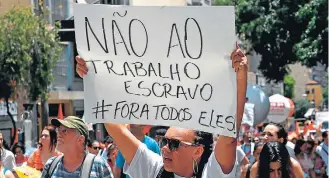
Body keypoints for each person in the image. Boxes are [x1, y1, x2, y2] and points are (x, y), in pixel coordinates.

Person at [76, 43, 248, 177]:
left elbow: (228, 137)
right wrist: (93, 75)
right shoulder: (154, 169)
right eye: (164, 142)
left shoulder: (211, 173)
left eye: (173, 144)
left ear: (197, 151)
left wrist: (240, 76)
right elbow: (116, 128)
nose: (165, 148)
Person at [41, 116, 113, 178]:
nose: (58, 134)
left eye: (64, 131)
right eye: (58, 130)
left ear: (80, 140)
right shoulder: (51, 164)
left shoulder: (98, 164)